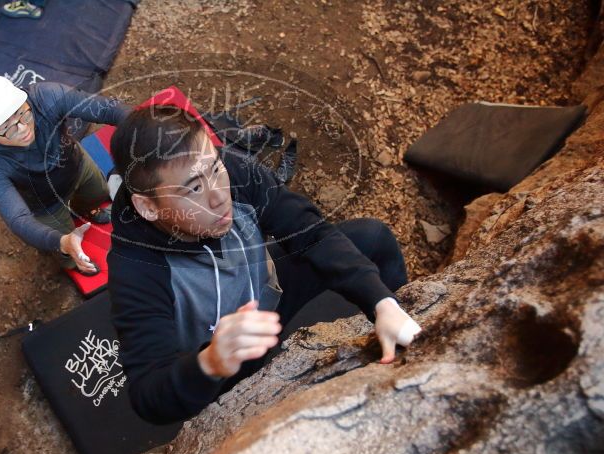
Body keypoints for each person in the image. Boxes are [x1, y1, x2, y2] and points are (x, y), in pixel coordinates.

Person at [107, 105, 422, 424]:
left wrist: (382, 302)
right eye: (194, 189)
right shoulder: (135, 268)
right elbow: (148, 395)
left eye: (215, 169)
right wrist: (210, 363)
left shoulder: (233, 170)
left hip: (268, 296)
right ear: (148, 207)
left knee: (372, 238)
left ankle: (398, 323)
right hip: (219, 361)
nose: (219, 197)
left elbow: (308, 231)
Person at [0, 75, 131, 273]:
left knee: (98, 192)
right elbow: (19, 219)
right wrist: (62, 242)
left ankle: (88, 210)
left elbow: (108, 109)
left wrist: (148, 131)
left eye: (23, 114)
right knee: (64, 244)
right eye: (7, 128)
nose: (23, 128)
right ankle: (73, 261)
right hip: (45, 205)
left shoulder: (46, 96)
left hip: (77, 165)